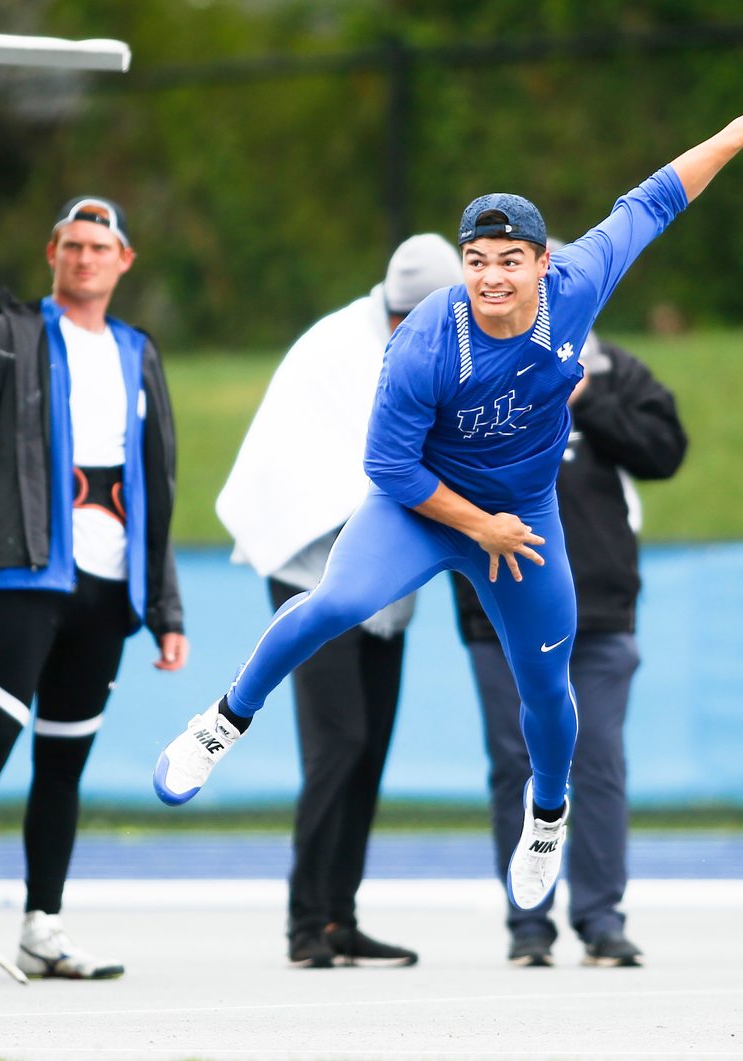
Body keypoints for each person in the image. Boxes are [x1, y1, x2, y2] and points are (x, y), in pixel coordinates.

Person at [155, 91, 743, 914]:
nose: (492, 276)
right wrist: (475, 523)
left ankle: (547, 816)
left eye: (509, 258)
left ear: (542, 262)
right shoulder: (424, 341)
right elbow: (388, 469)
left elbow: (658, 197)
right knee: (336, 602)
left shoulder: (579, 282)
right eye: (478, 259)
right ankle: (219, 721)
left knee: (544, 687)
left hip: (524, 518)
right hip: (424, 510)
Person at [0, 197, 187, 981]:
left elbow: (157, 483)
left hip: (107, 590)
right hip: (22, 574)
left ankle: (45, 925)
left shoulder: (140, 352)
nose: (85, 258)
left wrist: (165, 605)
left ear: (124, 261)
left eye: (99, 247)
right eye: (72, 245)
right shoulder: (3, 340)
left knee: (64, 764)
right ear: (52, 254)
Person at [216, 234, 463, 968]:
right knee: (338, 743)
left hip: (381, 587)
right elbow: (319, 467)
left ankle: (340, 917)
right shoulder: (333, 348)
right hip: (312, 575)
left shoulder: (438, 349)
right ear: (390, 311)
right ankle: (305, 923)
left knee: (370, 749)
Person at [452, 323, 686, 966]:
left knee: (601, 760)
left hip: (600, 609)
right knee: (516, 764)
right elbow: (418, 465)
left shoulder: (611, 368)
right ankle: (528, 925)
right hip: (501, 607)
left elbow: (666, 451)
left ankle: (601, 919)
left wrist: (585, 398)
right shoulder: (464, 367)